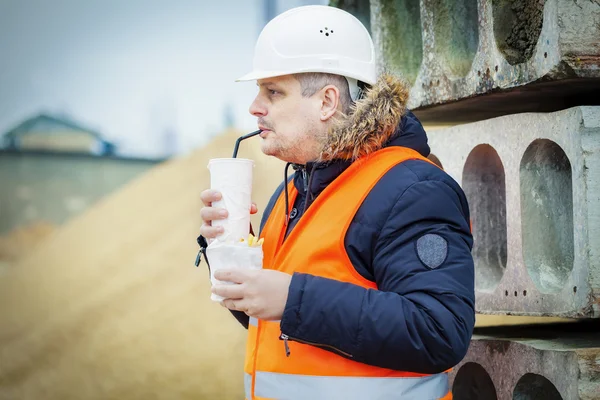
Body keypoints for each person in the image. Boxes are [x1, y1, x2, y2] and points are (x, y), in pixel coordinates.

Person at [198, 5, 474, 400]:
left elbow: (438, 330)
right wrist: (229, 250)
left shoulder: (413, 190)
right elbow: (283, 329)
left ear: (327, 101)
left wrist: (292, 297)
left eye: (273, 91)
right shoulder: (294, 190)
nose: (254, 107)